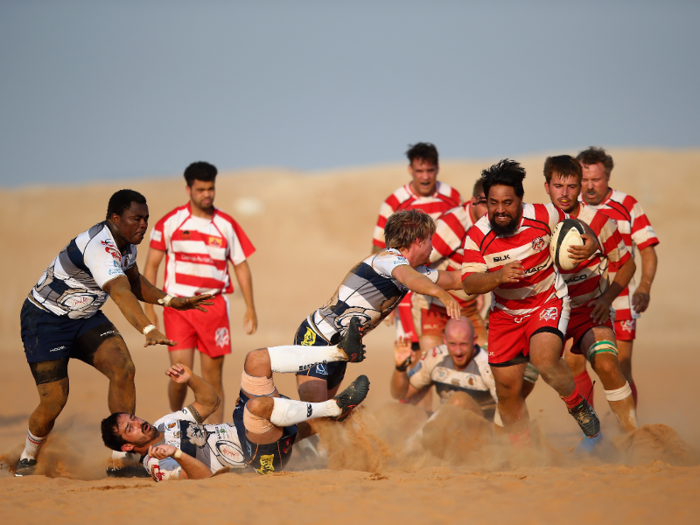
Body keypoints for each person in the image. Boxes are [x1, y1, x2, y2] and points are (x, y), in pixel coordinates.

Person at [16, 190, 212, 477]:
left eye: (146, 218)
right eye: (137, 218)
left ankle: (120, 458)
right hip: (45, 321)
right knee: (54, 402)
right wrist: (147, 327)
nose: (143, 224)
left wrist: (171, 301)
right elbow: (119, 291)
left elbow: (133, 281)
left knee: (123, 369)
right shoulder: (99, 246)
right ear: (115, 218)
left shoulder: (127, 244)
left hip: (85, 318)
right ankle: (29, 454)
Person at [461, 160, 601, 447]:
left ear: (520, 201)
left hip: (547, 301)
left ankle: (577, 405)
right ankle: (522, 450)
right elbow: (468, 282)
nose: (500, 210)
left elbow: (578, 224)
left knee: (544, 359)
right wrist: (497, 277)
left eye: (508, 202)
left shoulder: (543, 214)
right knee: (508, 391)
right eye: (493, 203)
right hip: (505, 316)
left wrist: (591, 241)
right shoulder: (477, 234)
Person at [100, 331, 369, 480]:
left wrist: (191, 378)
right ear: (127, 446)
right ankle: (334, 408)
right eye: (129, 428)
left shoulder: (164, 423)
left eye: (132, 418)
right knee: (257, 408)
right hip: (256, 458)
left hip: (244, 426)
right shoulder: (157, 465)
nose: (137, 423)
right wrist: (177, 454)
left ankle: (341, 352)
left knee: (255, 359)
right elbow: (203, 478)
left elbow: (209, 402)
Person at [296, 209, 463, 412]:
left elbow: (456, 279)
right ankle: (265, 433)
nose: (432, 246)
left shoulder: (415, 270)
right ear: (418, 240)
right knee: (317, 414)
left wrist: (497, 274)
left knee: (323, 417)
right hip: (317, 336)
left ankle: (289, 439)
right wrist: (442, 295)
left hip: (342, 348)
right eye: (430, 239)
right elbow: (410, 280)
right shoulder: (388, 259)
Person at [144, 161, 257, 424]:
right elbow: (150, 266)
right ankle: (174, 422)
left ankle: (218, 435)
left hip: (214, 307)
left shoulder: (227, 224)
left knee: (212, 377)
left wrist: (250, 307)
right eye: (201, 189)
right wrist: (149, 308)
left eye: (211, 188)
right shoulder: (169, 223)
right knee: (180, 374)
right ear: (188, 189)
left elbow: (241, 266)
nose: (207, 194)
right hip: (178, 307)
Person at [543, 155, 638, 438]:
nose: (565, 193)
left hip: (588, 310)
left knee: (608, 364)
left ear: (580, 186)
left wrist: (607, 299)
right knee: (521, 380)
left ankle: (633, 437)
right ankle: (512, 447)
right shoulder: (538, 221)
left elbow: (627, 263)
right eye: (558, 186)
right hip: (549, 312)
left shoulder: (599, 220)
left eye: (572, 186)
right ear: (547, 186)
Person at [575, 147, 659, 407]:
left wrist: (644, 287)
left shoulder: (628, 205)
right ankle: (591, 430)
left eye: (596, 180)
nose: (589, 186)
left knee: (620, 368)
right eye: (584, 180)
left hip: (621, 299)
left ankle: (628, 432)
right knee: (574, 364)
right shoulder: (569, 207)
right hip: (581, 299)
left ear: (608, 177)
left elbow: (647, 251)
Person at [371, 143, 462, 352]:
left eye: (429, 170)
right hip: (407, 291)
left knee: (453, 351)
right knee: (411, 356)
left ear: (437, 168)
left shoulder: (453, 197)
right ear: (410, 170)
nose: (425, 176)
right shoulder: (394, 201)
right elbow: (378, 250)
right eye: (419, 170)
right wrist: (384, 296)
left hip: (445, 282)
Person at [419, 178, 489, 357]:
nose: (489, 211)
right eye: (484, 204)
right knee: (430, 362)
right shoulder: (453, 224)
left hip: (468, 306)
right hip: (435, 305)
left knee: (487, 359)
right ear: (473, 201)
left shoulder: (494, 225)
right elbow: (416, 262)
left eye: (493, 204)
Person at [390, 317, 498, 420]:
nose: (458, 351)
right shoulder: (435, 357)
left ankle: (420, 438)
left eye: (463, 344)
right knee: (393, 411)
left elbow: (507, 412)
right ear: (445, 340)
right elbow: (400, 394)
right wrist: (400, 368)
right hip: (441, 424)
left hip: (481, 429)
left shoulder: (488, 367)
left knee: (459, 401)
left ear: (474, 340)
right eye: (452, 344)